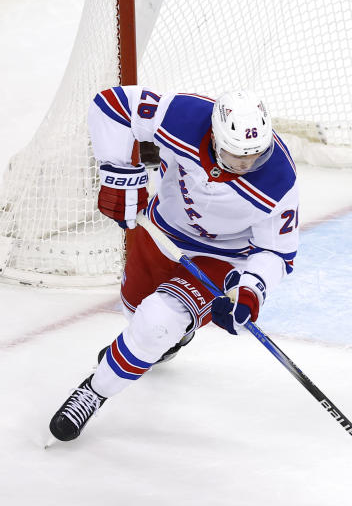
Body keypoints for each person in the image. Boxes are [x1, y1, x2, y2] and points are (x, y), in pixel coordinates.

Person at [48, 87, 300, 442]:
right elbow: (112, 106)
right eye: (236, 156)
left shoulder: (278, 180)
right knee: (136, 315)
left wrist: (249, 293)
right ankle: (171, 338)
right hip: (161, 232)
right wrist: (117, 173)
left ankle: (95, 389)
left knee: (154, 324)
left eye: (256, 156)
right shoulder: (183, 116)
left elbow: (276, 252)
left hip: (221, 257)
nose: (247, 166)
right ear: (214, 137)